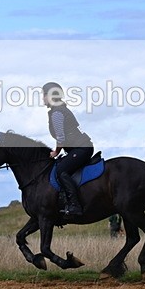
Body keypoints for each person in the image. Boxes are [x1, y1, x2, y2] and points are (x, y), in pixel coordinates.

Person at [43, 81, 94, 218]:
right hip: (78, 148)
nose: (43, 98)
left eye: (44, 95)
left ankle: (75, 206)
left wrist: (55, 152)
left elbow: (61, 138)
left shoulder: (57, 113)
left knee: (61, 171)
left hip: (81, 149)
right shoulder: (59, 110)